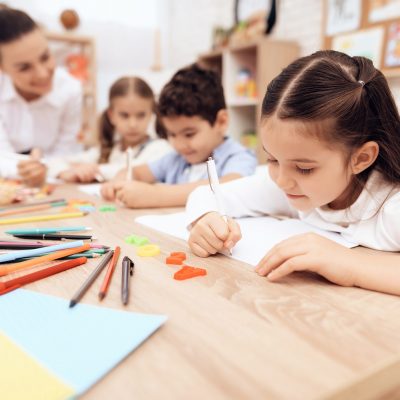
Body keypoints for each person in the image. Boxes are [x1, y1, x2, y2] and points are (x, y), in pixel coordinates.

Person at [186, 50, 400, 296]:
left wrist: (349, 265)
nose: (281, 180)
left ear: (360, 159)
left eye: (304, 168)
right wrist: (206, 220)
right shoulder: (288, 184)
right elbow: (207, 194)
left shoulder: (391, 207)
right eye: (272, 159)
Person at [101, 63, 257, 208]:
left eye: (189, 134)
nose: (179, 144)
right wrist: (120, 180)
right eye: (172, 134)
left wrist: (156, 196)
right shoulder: (176, 159)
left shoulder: (238, 157)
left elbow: (229, 187)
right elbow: (138, 172)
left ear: (221, 122)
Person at [0, 7, 82, 186]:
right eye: (24, 67)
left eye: (45, 57)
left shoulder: (71, 90)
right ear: (2, 69)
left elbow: (65, 154)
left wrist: (46, 168)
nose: (43, 74)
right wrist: (30, 169)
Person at [51, 76, 171, 182]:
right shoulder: (109, 149)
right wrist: (66, 172)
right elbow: (53, 162)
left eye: (141, 115)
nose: (133, 124)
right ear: (111, 115)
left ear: (151, 114)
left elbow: (134, 171)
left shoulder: (160, 148)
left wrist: (91, 170)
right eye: (124, 115)